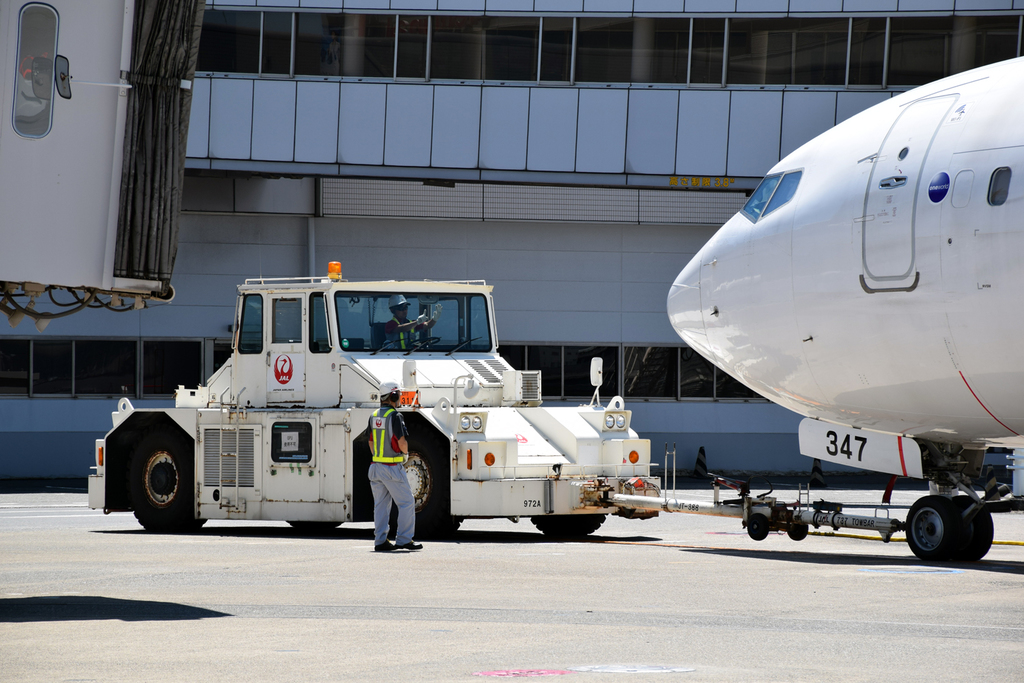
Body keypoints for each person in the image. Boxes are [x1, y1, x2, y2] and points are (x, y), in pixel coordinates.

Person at [367, 379, 422, 552]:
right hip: (392, 468)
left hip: (375, 468)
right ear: (393, 395)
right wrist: (404, 455)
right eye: (398, 395)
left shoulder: (374, 415)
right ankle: (404, 539)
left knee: (381, 506)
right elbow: (402, 442)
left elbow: (370, 442)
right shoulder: (395, 416)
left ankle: (380, 541)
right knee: (406, 502)